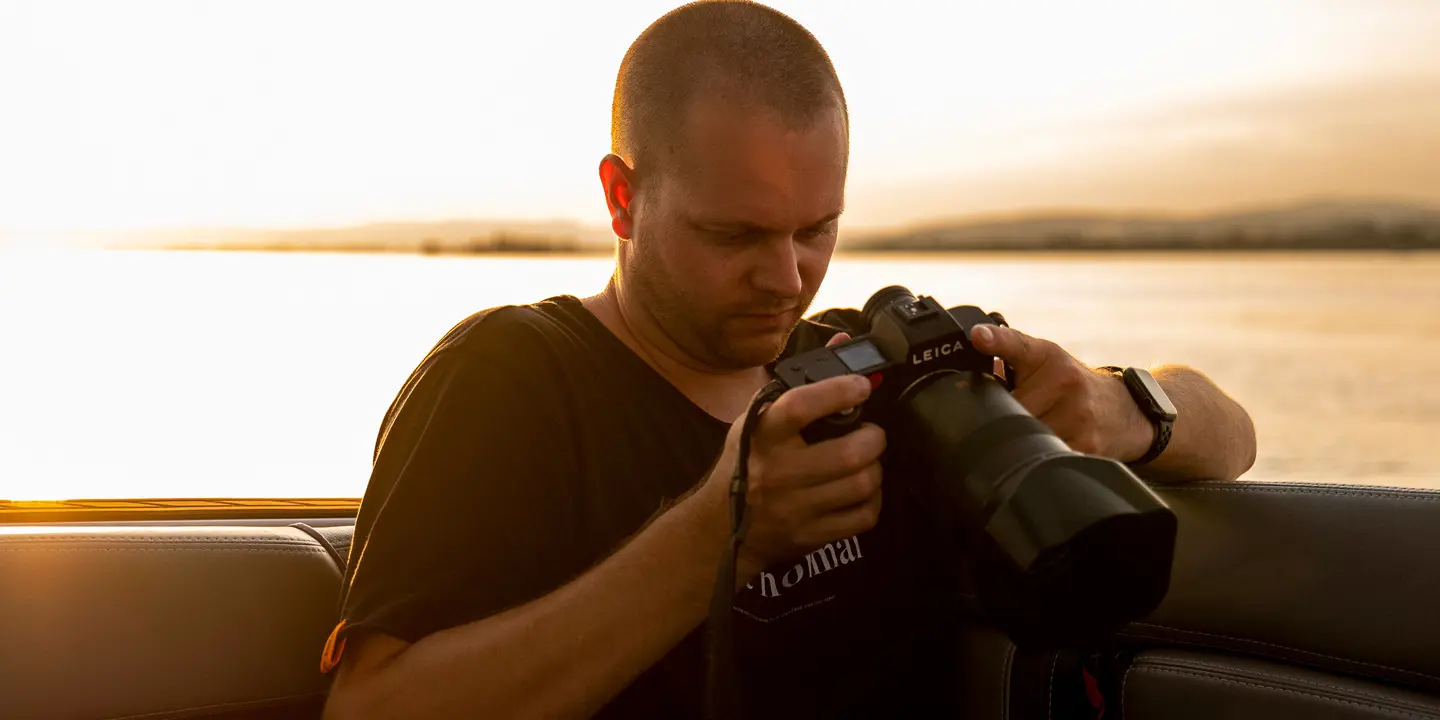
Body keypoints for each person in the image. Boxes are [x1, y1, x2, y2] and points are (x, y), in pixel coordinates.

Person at [318, 2, 1258, 718]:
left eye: (819, 227)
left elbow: (1233, 434)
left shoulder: (890, 370)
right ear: (621, 198)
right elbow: (370, 706)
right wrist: (714, 540)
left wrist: (1110, 406)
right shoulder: (511, 376)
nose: (786, 276)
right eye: (734, 234)